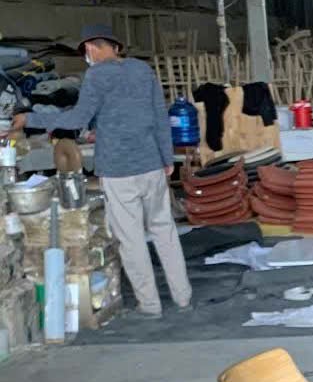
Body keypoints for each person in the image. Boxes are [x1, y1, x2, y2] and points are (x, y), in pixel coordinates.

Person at [12, 23, 192, 320]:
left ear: (91, 49)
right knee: (165, 231)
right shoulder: (142, 70)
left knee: (131, 239)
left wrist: (29, 119)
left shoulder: (97, 75)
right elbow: (160, 115)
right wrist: (166, 156)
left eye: (87, 52)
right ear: (116, 46)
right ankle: (183, 298)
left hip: (118, 170)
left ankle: (150, 306)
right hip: (151, 164)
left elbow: (77, 119)